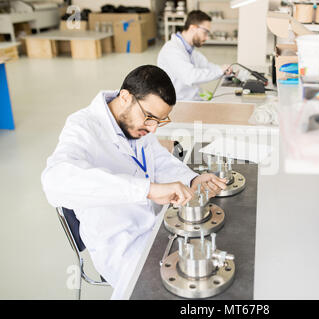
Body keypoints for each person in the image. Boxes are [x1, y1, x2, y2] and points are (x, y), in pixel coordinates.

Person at [41, 65, 227, 297]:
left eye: (160, 121)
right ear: (125, 97)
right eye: (149, 118)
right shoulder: (83, 127)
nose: (153, 128)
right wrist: (146, 190)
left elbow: (159, 161)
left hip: (158, 229)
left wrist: (192, 180)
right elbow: (55, 181)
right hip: (122, 248)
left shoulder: (136, 125)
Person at [157, 10, 232, 101]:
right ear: (193, 28)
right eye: (205, 32)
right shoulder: (172, 50)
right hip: (179, 103)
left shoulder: (190, 49)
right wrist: (219, 71)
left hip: (193, 98)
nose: (207, 37)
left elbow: (206, 66)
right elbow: (190, 76)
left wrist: (223, 70)